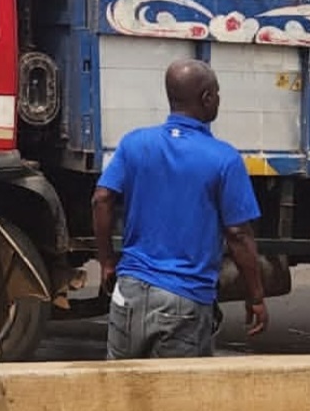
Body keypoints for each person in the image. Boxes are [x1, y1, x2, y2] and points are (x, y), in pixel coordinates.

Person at [92, 58, 268, 359]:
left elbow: (101, 199)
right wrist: (256, 296)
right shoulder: (224, 159)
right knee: (176, 390)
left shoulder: (134, 143)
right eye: (217, 93)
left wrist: (107, 261)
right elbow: (238, 233)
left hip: (129, 292)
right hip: (184, 299)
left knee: (121, 386)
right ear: (206, 98)